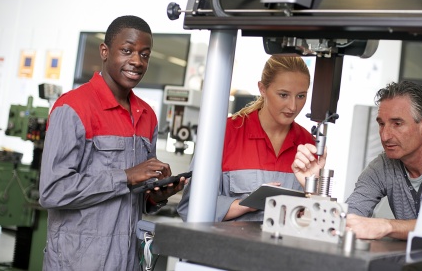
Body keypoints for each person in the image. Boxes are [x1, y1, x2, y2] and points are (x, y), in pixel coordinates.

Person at [39, 15, 187, 270]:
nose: (137, 61)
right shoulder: (73, 107)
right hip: (77, 262)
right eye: (127, 51)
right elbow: (52, 191)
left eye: (145, 55)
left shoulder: (147, 115)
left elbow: (133, 199)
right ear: (105, 51)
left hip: (126, 261)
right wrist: (126, 177)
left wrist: (156, 197)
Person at [177, 55, 323, 222]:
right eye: (283, 95)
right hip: (228, 247)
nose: (293, 106)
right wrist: (246, 204)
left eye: (301, 96)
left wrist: (313, 198)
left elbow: (315, 218)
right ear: (262, 89)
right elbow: (189, 207)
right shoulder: (224, 133)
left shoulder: (308, 144)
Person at [292, 81, 422, 240]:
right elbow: (349, 216)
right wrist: (315, 188)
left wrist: (386, 226)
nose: (385, 136)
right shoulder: (383, 166)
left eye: (397, 124)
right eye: (381, 124)